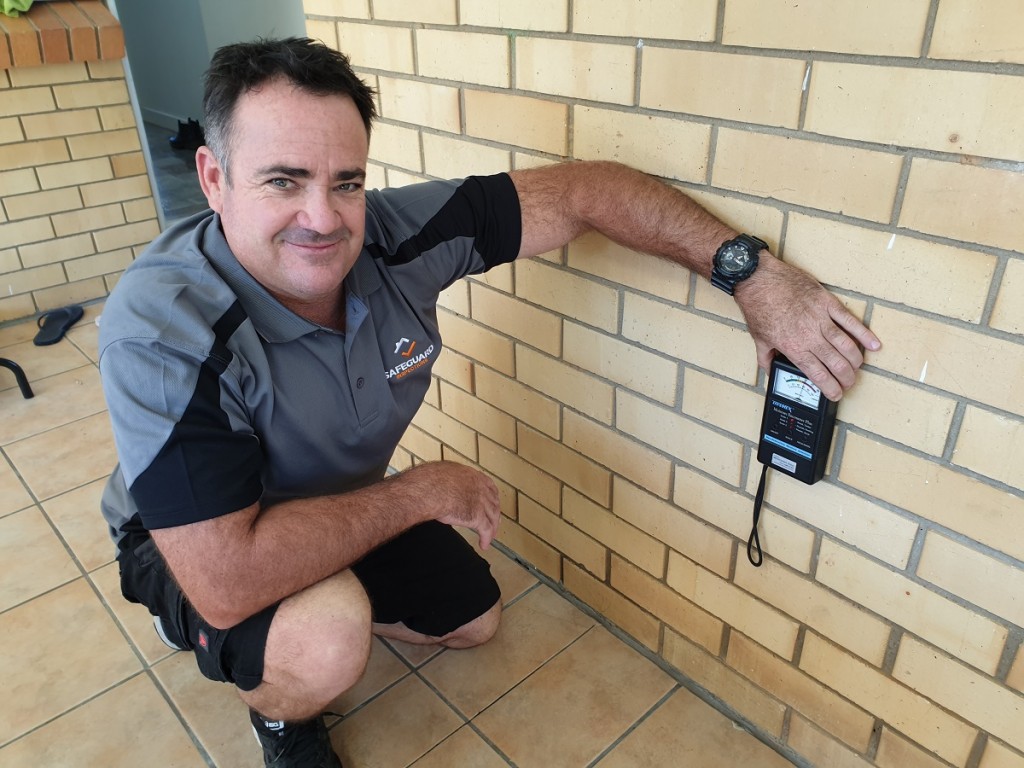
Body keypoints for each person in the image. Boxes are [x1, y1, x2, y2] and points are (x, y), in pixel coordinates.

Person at [98, 37, 880, 768]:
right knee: (325, 639)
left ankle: (323, 599)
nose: (324, 218)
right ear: (214, 179)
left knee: (474, 619)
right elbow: (228, 578)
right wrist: (419, 494)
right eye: (283, 181)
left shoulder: (396, 238)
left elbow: (583, 192)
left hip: (327, 506)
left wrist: (749, 273)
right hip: (193, 540)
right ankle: (278, 711)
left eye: (347, 182)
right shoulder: (165, 328)